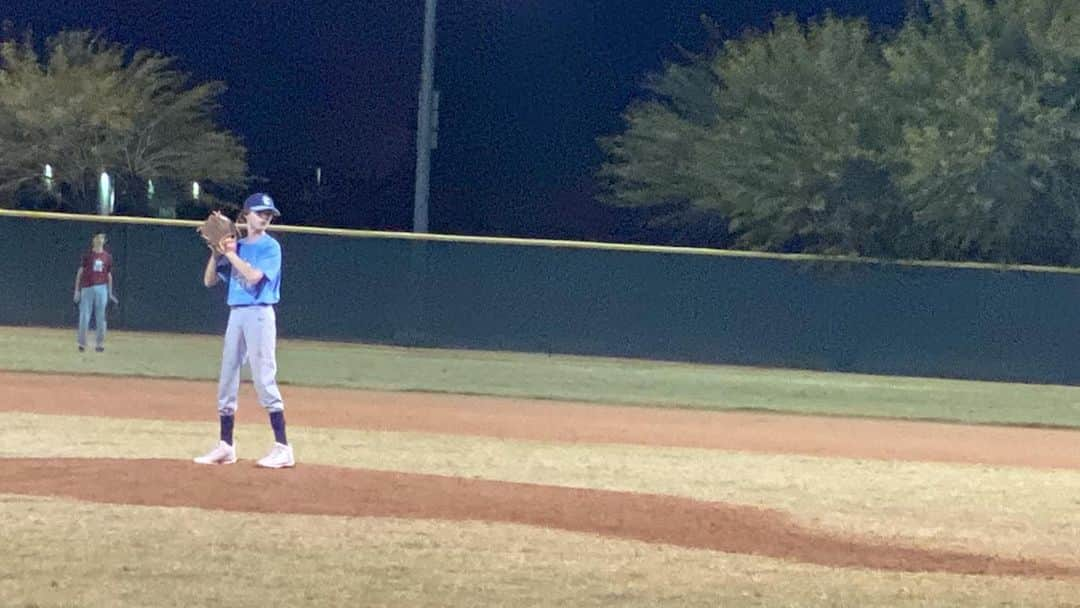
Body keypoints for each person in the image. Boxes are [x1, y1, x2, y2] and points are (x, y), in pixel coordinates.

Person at [194, 193, 295, 469]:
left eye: (269, 214)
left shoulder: (270, 247)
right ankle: (226, 445)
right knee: (227, 377)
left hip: (260, 314)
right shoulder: (235, 246)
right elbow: (209, 280)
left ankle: (283, 447)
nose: (265, 217)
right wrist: (217, 254)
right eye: (260, 212)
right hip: (236, 314)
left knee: (263, 378)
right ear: (246, 215)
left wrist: (230, 253)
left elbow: (252, 277)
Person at [73, 232, 119, 352]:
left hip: (101, 288)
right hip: (87, 288)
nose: (100, 240)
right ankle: (82, 344)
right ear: (93, 240)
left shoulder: (107, 257)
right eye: (97, 237)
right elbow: (80, 272)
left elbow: (109, 275)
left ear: (105, 241)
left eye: (102, 238)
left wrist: (110, 293)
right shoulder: (88, 255)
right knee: (84, 316)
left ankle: (100, 344)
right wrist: (77, 290)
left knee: (101, 317)